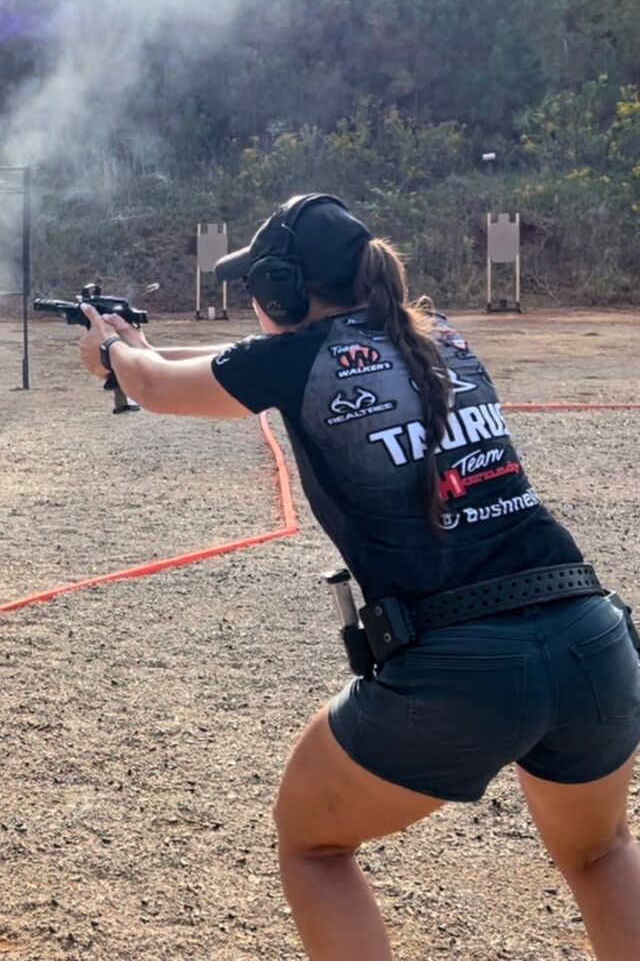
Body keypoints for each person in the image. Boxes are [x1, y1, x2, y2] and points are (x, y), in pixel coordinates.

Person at [79, 193, 640, 961]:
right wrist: (136, 345)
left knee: (311, 845)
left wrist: (112, 354)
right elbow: (223, 366)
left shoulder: (294, 356)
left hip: (464, 668)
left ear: (281, 288)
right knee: (601, 854)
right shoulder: (438, 333)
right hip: (591, 638)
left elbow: (156, 387)